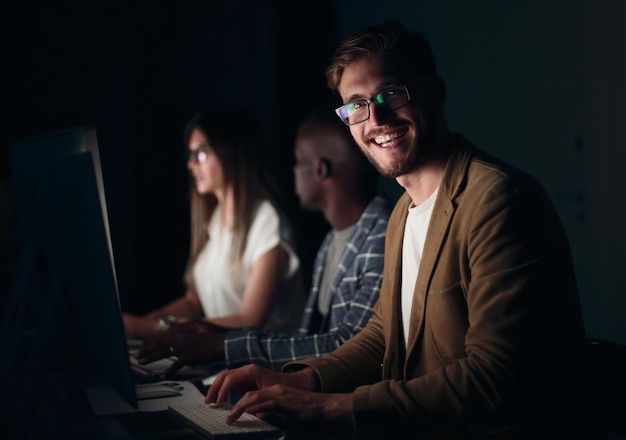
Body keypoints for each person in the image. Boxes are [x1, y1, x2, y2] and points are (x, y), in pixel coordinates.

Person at [206, 22, 596, 439]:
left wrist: (331, 407)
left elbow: (493, 379)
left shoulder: (500, 200)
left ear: (435, 92)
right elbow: (382, 337)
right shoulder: (402, 213)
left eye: (391, 93)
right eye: (356, 105)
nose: (376, 117)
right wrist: (301, 381)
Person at [133, 108, 391, 376]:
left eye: (296, 160)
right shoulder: (331, 241)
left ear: (319, 169)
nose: (291, 171)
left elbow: (346, 347)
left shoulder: (379, 236)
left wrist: (161, 330)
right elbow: (316, 341)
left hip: (274, 374)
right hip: (272, 374)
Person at [123, 107, 302, 340]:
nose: (191, 164)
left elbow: (250, 320)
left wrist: (155, 328)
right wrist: (145, 322)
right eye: (190, 155)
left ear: (230, 152)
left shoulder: (267, 222)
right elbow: (194, 301)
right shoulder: (214, 221)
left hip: (267, 368)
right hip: (222, 362)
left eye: (201, 152)